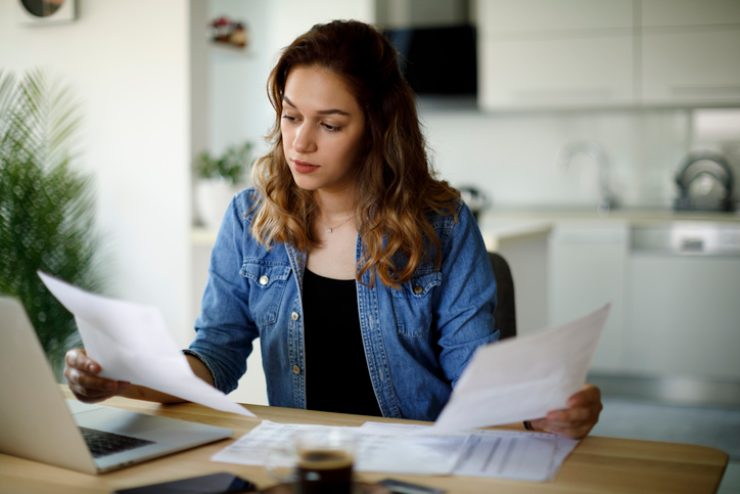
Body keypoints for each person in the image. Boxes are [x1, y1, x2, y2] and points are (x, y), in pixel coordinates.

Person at [64, 20, 602, 439]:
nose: (300, 143)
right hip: (301, 461)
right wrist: (129, 379)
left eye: (330, 124)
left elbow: (476, 377)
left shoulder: (443, 225)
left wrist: (542, 413)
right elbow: (216, 354)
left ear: (377, 129)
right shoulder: (250, 220)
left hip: (419, 463)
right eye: (291, 116)